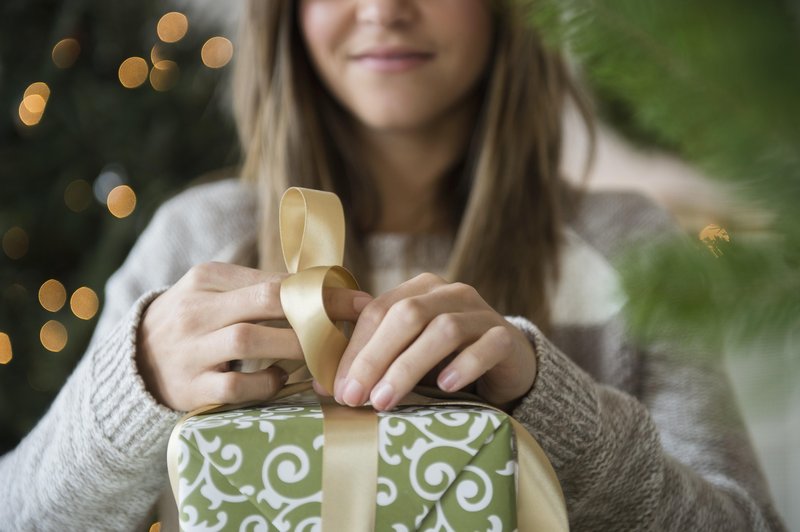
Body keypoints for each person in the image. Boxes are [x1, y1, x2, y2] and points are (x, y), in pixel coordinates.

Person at [0, 0, 786, 530]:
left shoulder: (631, 245)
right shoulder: (197, 242)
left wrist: (549, 406)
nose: (383, 9)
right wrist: (136, 385)